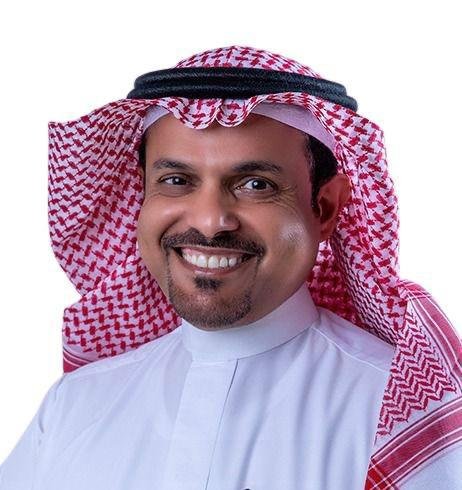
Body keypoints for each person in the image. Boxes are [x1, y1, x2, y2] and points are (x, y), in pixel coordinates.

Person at [0, 46, 460, 489]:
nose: (209, 221)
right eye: (176, 181)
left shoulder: (408, 424)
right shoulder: (73, 408)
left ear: (324, 208)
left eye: (255, 184)